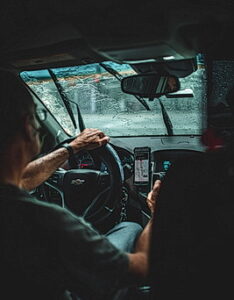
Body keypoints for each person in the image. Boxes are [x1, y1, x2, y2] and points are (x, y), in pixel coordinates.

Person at [0, 70, 160, 300]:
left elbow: (22, 179)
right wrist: (158, 213)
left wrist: (72, 147)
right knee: (130, 227)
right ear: (27, 128)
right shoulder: (47, 221)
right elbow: (140, 268)